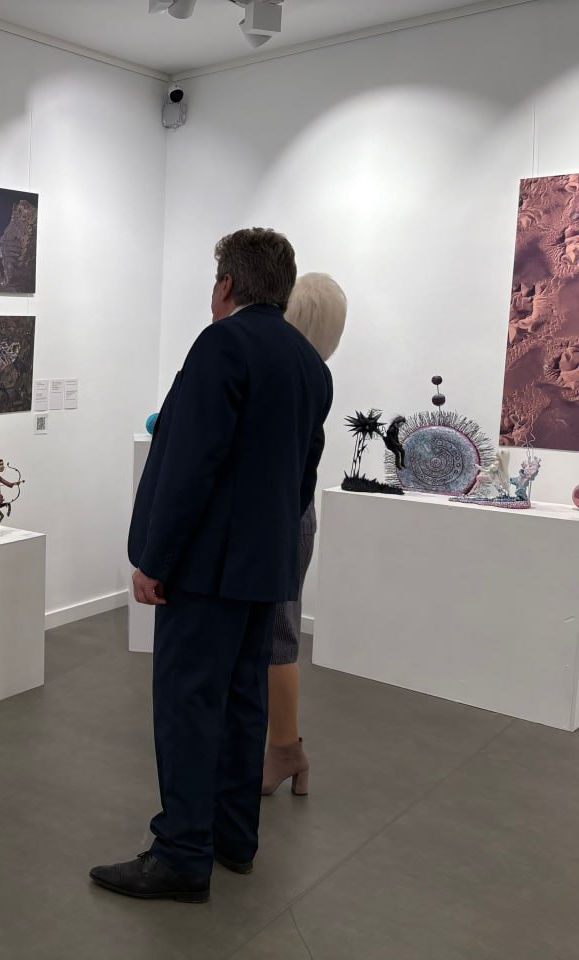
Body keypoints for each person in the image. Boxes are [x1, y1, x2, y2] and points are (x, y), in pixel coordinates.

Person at [90, 228, 333, 903]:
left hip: (205, 571)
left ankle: (181, 854)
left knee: (189, 706)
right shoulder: (310, 364)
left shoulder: (222, 344)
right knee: (243, 701)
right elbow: (303, 475)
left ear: (226, 284)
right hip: (264, 568)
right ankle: (233, 838)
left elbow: (190, 465)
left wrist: (154, 559)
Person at [263, 273, 347, 797]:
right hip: (290, 515)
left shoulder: (300, 379)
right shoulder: (314, 376)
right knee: (276, 635)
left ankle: (286, 750)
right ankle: (282, 750)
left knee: (278, 639)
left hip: (285, 519)